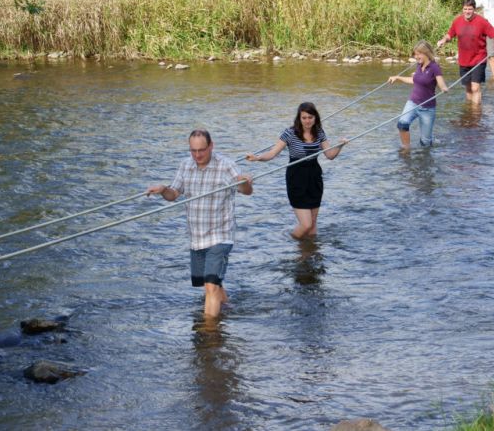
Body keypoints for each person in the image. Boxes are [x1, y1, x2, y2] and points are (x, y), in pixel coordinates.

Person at [146, 129, 253, 319]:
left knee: (210, 286)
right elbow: (173, 195)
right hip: (197, 238)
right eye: (193, 151)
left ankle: (209, 336)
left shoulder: (226, 165)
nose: (197, 155)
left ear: (211, 146)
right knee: (213, 284)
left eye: (201, 150)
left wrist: (245, 181)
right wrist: (163, 190)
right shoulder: (186, 165)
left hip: (220, 236)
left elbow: (245, 190)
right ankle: (228, 311)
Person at [246, 102, 346, 240]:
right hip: (296, 177)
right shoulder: (290, 133)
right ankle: (290, 242)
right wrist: (257, 158)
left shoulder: (319, 133)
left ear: (315, 117)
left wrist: (340, 146)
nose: (307, 121)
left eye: (310, 117)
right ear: (299, 118)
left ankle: (308, 255)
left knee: (313, 226)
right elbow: (272, 153)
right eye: (304, 118)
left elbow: (330, 155)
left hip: (314, 177)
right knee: (306, 225)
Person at [437, 0, 494, 105]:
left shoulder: (482, 22)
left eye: (470, 9)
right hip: (464, 60)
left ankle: (476, 114)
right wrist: (443, 40)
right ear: (462, 9)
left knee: (475, 88)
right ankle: (470, 113)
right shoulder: (457, 21)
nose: (467, 11)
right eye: (465, 9)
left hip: (478, 59)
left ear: (474, 9)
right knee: (468, 88)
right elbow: (450, 34)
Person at [388, 40, 450, 148]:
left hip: (427, 108)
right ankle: (406, 149)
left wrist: (444, 89)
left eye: (418, 54)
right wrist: (397, 78)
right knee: (402, 124)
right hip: (413, 103)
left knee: (425, 143)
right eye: (415, 54)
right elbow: (414, 80)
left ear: (426, 53)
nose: (416, 57)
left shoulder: (434, 67)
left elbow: (442, 85)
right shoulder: (419, 65)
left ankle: (428, 151)